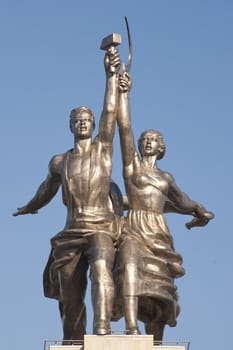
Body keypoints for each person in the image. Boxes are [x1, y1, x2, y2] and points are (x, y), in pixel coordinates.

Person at [13, 47, 122, 342]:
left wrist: (110, 76)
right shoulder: (59, 162)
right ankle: (73, 342)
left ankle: (102, 329)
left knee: (101, 266)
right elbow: (45, 190)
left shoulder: (104, 149)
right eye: (78, 120)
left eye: (87, 119)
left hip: (101, 226)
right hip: (72, 231)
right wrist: (29, 207)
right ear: (70, 126)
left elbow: (110, 111)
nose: (84, 122)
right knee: (69, 297)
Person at [113, 71, 214, 340]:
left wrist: (198, 210)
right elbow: (124, 126)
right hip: (133, 226)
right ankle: (130, 327)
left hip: (158, 232)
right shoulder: (131, 167)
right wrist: (124, 93)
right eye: (145, 138)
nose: (147, 140)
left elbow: (181, 201)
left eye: (154, 139)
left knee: (158, 288)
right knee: (129, 266)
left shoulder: (166, 178)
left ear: (161, 148)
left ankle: (155, 337)